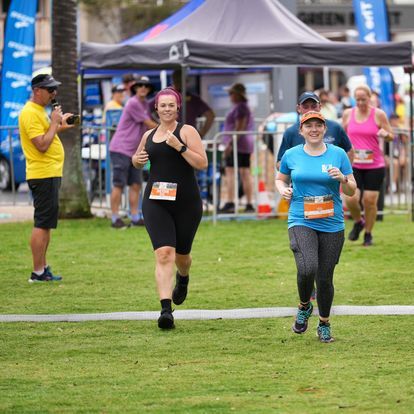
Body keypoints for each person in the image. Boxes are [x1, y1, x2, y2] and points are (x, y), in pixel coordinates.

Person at [276, 111, 356, 343]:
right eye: (308, 125)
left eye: (318, 125)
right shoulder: (292, 155)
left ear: (324, 129)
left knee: (324, 278)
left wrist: (342, 178)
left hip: (332, 222)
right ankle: (304, 306)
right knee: (307, 267)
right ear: (301, 131)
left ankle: (324, 324)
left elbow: (352, 189)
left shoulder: (338, 154)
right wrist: (283, 190)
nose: (313, 129)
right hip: (301, 219)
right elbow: (280, 178)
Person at [132, 87, 208, 329]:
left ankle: (183, 277)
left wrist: (180, 147)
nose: (166, 109)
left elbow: (202, 163)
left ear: (177, 108)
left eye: (170, 105)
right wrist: (137, 160)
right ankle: (166, 310)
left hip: (186, 202)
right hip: (156, 201)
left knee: (182, 257)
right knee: (164, 253)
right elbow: (136, 157)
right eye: (162, 105)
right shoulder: (149, 135)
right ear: (156, 108)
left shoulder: (186, 131)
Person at [18, 74, 75, 282]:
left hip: (49, 173)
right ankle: (37, 271)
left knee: (46, 223)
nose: (54, 93)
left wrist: (60, 125)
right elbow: (41, 145)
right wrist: (54, 123)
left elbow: (47, 136)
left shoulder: (38, 111)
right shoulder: (30, 113)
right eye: (50, 90)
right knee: (42, 223)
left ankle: (43, 267)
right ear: (37, 90)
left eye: (55, 89)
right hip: (42, 173)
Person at [342, 85, 394, 246]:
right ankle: (359, 221)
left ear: (370, 98)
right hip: (354, 164)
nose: (360, 102)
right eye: (357, 99)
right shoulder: (348, 114)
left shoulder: (378, 114)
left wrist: (386, 135)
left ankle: (368, 234)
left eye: (363, 99)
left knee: (369, 201)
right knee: (351, 198)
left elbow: (391, 136)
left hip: (374, 165)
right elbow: (342, 135)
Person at [109, 75, 158, 228]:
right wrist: (170, 131)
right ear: (135, 88)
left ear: (149, 89)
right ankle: (115, 218)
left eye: (146, 85)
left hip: (134, 152)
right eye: (140, 85)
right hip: (121, 149)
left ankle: (135, 217)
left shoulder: (144, 104)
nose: (143, 88)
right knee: (119, 184)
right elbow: (149, 124)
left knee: (136, 184)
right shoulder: (133, 103)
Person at [277, 92, 354, 170]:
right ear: (298, 109)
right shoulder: (291, 132)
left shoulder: (335, 127)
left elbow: (349, 151)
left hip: (329, 180)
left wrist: (344, 174)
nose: (310, 110)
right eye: (305, 107)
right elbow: (280, 163)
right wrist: (296, 172)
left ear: (320, 107)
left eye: (314, 106)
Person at [219, 83, 255, 213]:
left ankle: (230, 202)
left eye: (231, 93)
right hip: (243, 144)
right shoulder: (242, 107)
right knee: (245, 173)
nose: (230, 96)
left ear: (238, 94)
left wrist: (230, 145)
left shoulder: (240, 108)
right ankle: (249, 203)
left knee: (231, 172)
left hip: (238, 144)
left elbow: (240, 127)